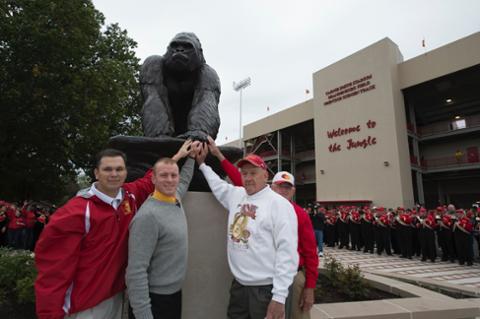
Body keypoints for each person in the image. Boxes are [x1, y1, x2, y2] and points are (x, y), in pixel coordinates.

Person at [34, 141, 193, 319]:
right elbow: (53, 270)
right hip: (86, 306)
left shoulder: (129, 196)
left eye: (119, 169)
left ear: (125, 172)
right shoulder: (77, 212)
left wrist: (179, 156)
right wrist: (50, 314)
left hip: (115, 298)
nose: (114, 174)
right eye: (107, 169)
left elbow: (151, 179)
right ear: (96, 173)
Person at [197, 143, 298, 319]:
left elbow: (287, 253)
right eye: (244, 174)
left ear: (265, 175)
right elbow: (218, 185)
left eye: (253, 173)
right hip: (239, 285)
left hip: (265, 289)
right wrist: (202, 165)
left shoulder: (279, 205)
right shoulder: (236, 195)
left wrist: (279, 297)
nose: (248, 178)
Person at [126, 142, 199, 319]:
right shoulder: (148, 216)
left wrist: (191, 158)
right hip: (153, 301)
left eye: (173, 175)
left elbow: (185, 179)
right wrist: (144, 315)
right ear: (153, 179)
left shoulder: (175, 198)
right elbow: (135, 272)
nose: (170, 179)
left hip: (173, 295)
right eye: (163, 175)